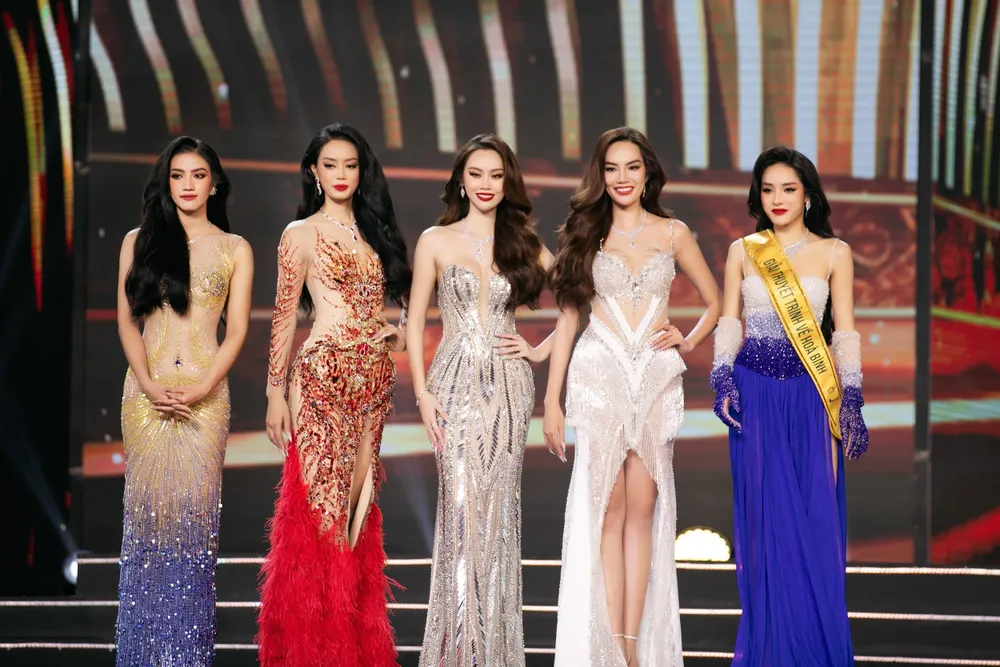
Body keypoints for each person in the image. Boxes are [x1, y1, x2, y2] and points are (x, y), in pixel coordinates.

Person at [543, 127, 721, 666]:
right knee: (609, 508)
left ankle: (633, 645)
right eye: (612, 168)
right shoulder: (586, 233)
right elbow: (568, 318)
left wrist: (687, 339)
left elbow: (715, 301)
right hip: (599, 375)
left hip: (655, 379)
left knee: (642, 509)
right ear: (601, 176)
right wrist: (551, 401)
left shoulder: (674, 233)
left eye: (632, 167)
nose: (622, 178)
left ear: (648, 174)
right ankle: (608, 646)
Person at [257, 124, 411, 667]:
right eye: (331, 165)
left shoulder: (375, 233)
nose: (341, 174)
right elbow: (283, 316)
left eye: (350, 165)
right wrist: (275, 393)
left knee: (355, 513)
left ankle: (348, 648)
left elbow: (398, 305)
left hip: (373, 384)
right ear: (314, 172)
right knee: (322, 516)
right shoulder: (300, 233)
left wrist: (397, 334)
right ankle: (313, 651)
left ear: (361, 171)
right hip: (322, 379)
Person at [710, 146, 868, 665]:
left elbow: (844, 333)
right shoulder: (743, 250)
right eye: (768, 189)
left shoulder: (835, 252)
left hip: (811, 398)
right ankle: (771, 649)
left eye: (789, 188)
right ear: (757, 195)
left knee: (812, 520)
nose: (777, 199)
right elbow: (729, 321)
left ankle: (814, 650)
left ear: (808, 196)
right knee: (766, 525)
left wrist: (852, 398)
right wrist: (721, 374)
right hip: (755, 394)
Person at [406, 133, 554, 667]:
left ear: (507, 182)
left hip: (510, 389)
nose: (486, 184)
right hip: (452, 388)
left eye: (496, 175)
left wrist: (539, 349)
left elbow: (579, 297)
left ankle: (492, 653)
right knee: (462, 515)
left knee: (498, 518)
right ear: (461, 181)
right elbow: (414, 321)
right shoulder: (435, 240)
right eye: (476, 174)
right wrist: (422, 393)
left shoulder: (524, 243)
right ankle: (461, 653)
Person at [115, 136, 253, 666]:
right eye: (178, 175)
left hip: (205, 399)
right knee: (148, 527)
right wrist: (149, 385)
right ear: (166, 182)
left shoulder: (235, 248)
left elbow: (236, 331)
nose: (188, 185)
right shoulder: (139, 241)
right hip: (145, 398)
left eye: (198, 175)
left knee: (193, 531)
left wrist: (203, 387)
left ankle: (185, 657)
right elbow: (128, 323)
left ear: (214, 183)